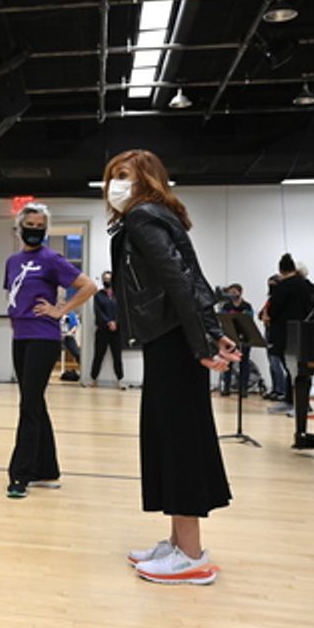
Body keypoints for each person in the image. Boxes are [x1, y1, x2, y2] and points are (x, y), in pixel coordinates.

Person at [106, 149, 239, 585]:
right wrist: (210, 329)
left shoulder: (143, 217)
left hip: (171, 340)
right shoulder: (157, 216)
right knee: (170, 436)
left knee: (179, 441)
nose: (115, 185)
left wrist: (201, 341)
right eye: (112, 177)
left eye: (123, 175)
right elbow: (191, 277)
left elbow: (179, 279)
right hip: (172, 337)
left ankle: (193, 556)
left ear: (147, 178)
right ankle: (178, 544)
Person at [4, 202, 98, 498]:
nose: (34, 230)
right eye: (29, 225)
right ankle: (47, 469)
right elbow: (14, 295)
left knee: (29, 404)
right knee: (33, 401)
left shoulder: (52, 259)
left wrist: (61, 310)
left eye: (39, 225)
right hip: (21, 337)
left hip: (43, 337)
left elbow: (88, 286)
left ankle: (20, 474)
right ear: (20, 227)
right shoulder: (12, 261)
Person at [266, 253, 314, 414]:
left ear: (281, 270)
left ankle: (299, 405)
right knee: (299, 370)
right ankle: (292, 401)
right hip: (307, 332)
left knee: (292, 369)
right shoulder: (311, 287)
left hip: (286, 334)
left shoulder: (282, 286)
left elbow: (273, 310)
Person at [218, 284, 255, 397]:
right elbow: (222, 319)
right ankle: (226, 387)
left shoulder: (247, 306)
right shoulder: (226, 306)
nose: (232, 294)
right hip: (229, 337)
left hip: (244, 338)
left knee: (244, 363)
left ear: (240, 292)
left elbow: (250, 319)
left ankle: (243, 388)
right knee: (228, 363)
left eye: (234, 292)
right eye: (230, 292)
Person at [90, 270, 125, 388]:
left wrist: (116, 322)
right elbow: (98, 311)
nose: (107, 281)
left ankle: (120, 380)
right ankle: (93, 379)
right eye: (105, 279)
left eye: (109, 279)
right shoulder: (98, 295)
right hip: (102, 330)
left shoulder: (119, 295)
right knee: (98, 355)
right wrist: (108, 322)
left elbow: (122, 311)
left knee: (117, 356)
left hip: (117, 331)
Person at [257, 274, 286, 401]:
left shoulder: (280, 300)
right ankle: (275, 388)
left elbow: (272, 316)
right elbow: (261, 314)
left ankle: (281, 390)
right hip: (268, 331)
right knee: (271, 363)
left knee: (276, 363)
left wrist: (267, 317)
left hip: (275, 332)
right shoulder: (270, 299)